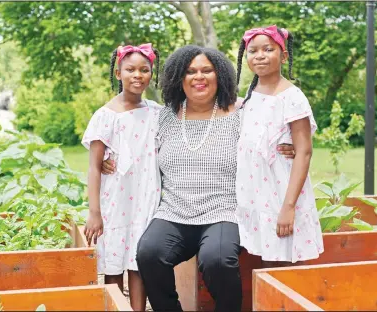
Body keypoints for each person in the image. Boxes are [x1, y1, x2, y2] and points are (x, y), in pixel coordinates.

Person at [100, 45, 296, 311]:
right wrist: (104, 160)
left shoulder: (241, 114)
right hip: (174, 212)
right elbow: (128, 135)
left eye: (207, 70)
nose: (198, 77)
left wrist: (289, 147)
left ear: (220, 76)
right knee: (149, 253)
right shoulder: (164, 116)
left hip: (224, 212)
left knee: (217, 259)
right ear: (178, 78)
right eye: (190, 71)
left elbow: (280, 131)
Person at [81, 43, 161, 311]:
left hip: (146, 198)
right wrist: (95, 212)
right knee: (114, 262)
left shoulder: (156, 112)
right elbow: (94, 167)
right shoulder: (105, 116)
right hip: (115, 201)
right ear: (118, 73)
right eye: (130, 69)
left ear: (152, 73)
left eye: (144, 69)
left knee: (139, 261)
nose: (137, 75)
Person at [234, 25, 324, 263]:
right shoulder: (253, 93)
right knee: (266, 256)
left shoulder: (292, 97)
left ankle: (282, 301)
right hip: (255, 191)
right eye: (253, 51)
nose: (260, 55)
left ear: (283, 56)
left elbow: (304, 152)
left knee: (282, 256)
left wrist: (289, 207)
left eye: (268, 49)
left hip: (281, 190)